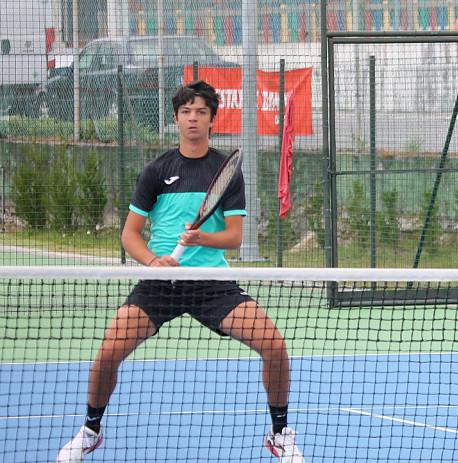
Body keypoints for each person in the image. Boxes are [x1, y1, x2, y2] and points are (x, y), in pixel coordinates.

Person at [56, 80, 305, 463]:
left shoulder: (227, 172)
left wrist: (202, 238)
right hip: (159, 284)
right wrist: (154, 262)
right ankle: (90, 431)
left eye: (201, 111)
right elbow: (130, 235)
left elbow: (236, 237)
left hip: (213, 285)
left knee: (274, 346)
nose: (193, 118)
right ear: (175, 118)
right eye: (186, 111)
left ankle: (279, 433)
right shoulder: (156, 171)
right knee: (107, 354)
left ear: (211, 120)